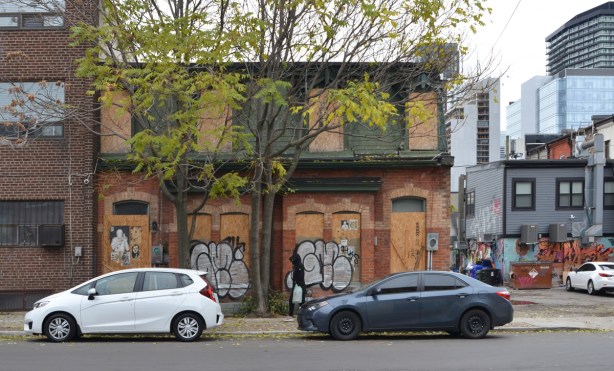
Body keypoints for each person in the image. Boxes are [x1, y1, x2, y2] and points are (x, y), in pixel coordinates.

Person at [288, 253, 306, 318]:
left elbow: (301, 276)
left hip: (300, 286)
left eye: (293, 261)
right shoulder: (296, 266)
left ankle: (304, 314)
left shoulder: (300, 266)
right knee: (291, 300)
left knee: (301, 301)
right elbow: (290, 259)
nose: (292, 262)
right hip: (296, 286)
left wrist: (297, 282)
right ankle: (290, 314)